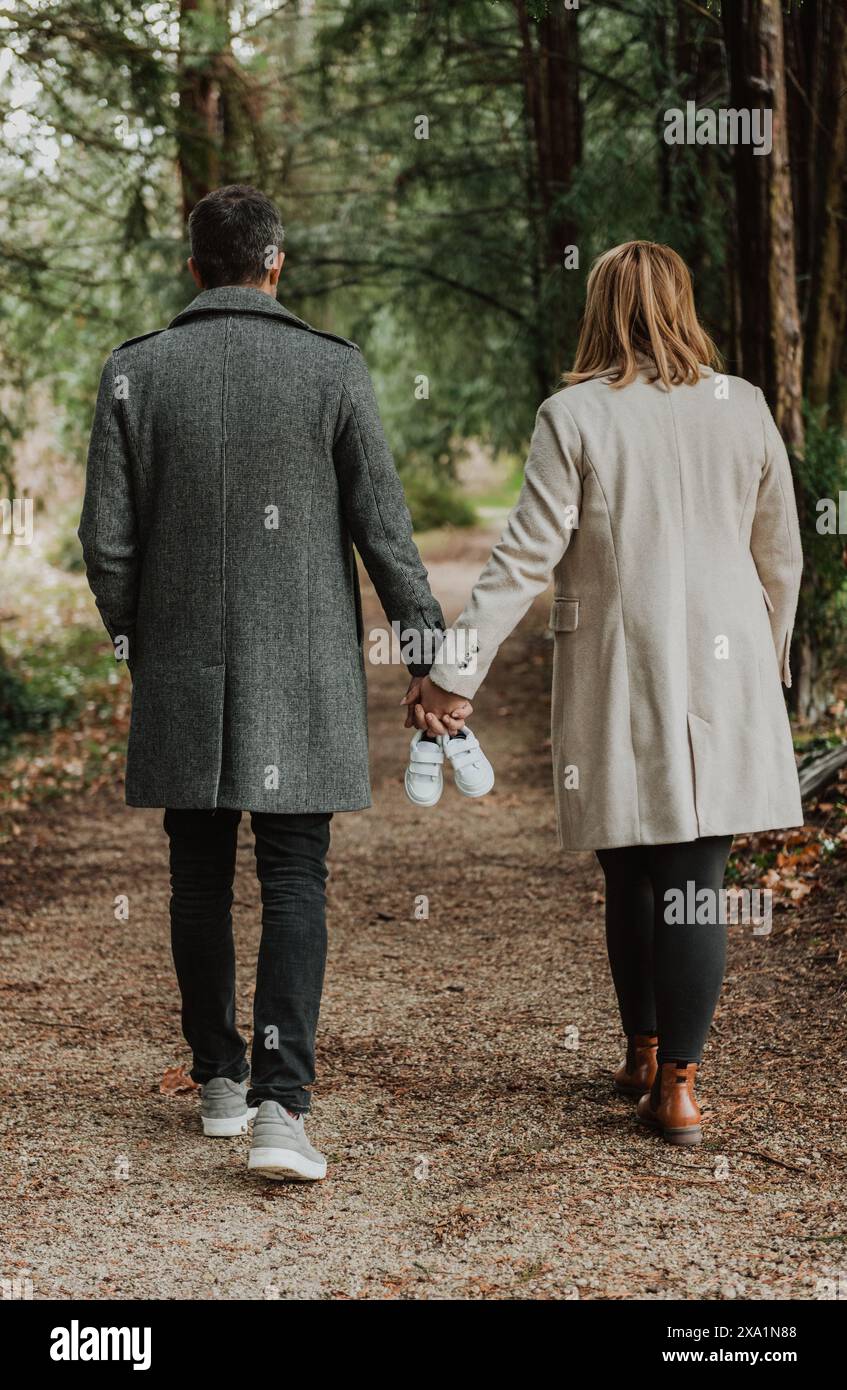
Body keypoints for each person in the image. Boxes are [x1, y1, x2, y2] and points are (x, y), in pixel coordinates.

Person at [79, 184, 467, 1180]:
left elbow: (107, 542)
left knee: (198, 871)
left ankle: (217, 1076)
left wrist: (138, 634)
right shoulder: (331, 370)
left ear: (195, 264)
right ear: (275, 265)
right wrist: (428, 658)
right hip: (302, 671)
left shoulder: (137, 371)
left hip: (182, 663)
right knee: (295, 874)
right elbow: (385, 533)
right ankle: (280, 1109)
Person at [415, 240, 803, 1145]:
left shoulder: (574, 413)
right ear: (683, 304)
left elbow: (523, 558)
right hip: (724, 666)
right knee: (695, 880)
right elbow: (779, 555)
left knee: (628, 869)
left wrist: (453, 672)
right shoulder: (740, 405)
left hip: (618, 665)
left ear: (600, 312)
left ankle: (642, 1052)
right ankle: (675, 1087)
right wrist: (768, 662)